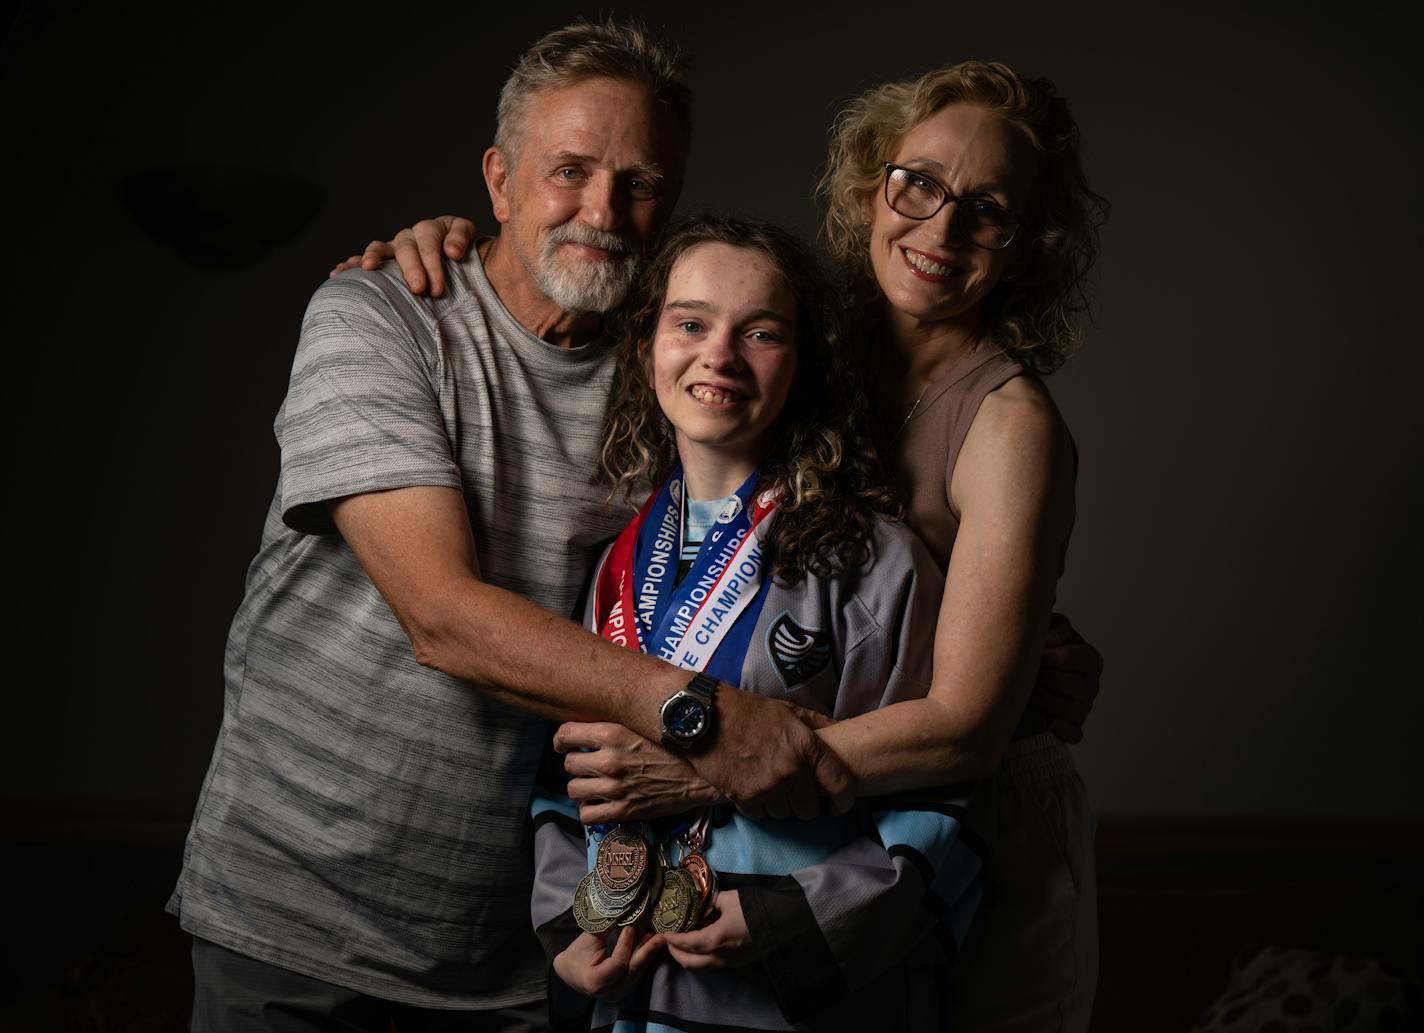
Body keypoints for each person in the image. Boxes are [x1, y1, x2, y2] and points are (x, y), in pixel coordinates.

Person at [343, 58, 1107, 1031]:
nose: (938, 227)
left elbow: (965, 721)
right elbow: (623, 281)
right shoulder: (813, 341)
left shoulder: (1007, 424)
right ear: (873, 181)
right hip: (795, 819)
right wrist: (458, 245)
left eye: (985, 209)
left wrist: (702, 752)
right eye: (916, 182)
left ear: (1026, 241)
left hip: (951, 814)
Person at [172, 21, 857, 1032]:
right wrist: (704, 716)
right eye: (567, 171)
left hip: (527, 950)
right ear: (497, 182)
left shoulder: (669, 377)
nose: (601, 212)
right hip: (296, 923)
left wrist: (1014, 645)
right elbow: (441, 616)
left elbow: (808, 534)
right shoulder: (382, 317)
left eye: (639, 183)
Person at [533, 212, 989, 1032]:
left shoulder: (875, 562)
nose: (720, 355)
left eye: (763, 332)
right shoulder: (612, 569)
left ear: (805, 363)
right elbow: (564, 777)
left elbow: (942, 797)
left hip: (793, 1003)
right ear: (646, 347)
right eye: (691, 323)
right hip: (635, 999)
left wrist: (793, 918)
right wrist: (572, 925)